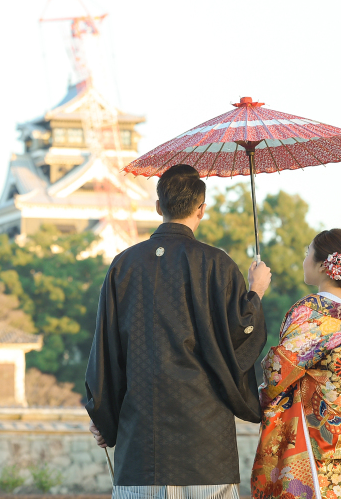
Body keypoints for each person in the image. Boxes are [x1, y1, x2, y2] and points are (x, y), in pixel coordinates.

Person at [85, 164, 272, 498]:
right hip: (204, 438)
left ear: (159, 206)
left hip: (140, 438)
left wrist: (103, 414)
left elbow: (107, 350)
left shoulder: (123, 265)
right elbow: (241, 333)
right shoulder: (217, 264)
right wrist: (256, 290)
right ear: (202, 209)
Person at [251, 229, 341, 499]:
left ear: (322, 265)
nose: (304, 260)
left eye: (308, 253)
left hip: (317, 447)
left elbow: (278, 372)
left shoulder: (311, 312)